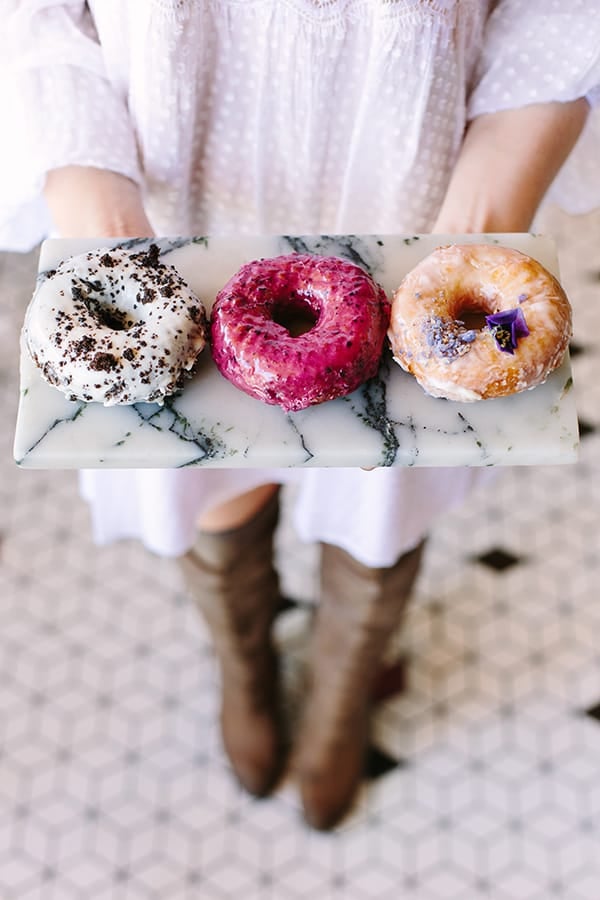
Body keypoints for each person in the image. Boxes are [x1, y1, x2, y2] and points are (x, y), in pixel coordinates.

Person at [2, 0, 599, 831]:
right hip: (162, 223)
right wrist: (105, 228)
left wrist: (471, 234)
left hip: (417, 215)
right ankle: (245, 664)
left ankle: (341, 688)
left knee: (378, 505)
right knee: (209, 485)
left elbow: (559, 18)